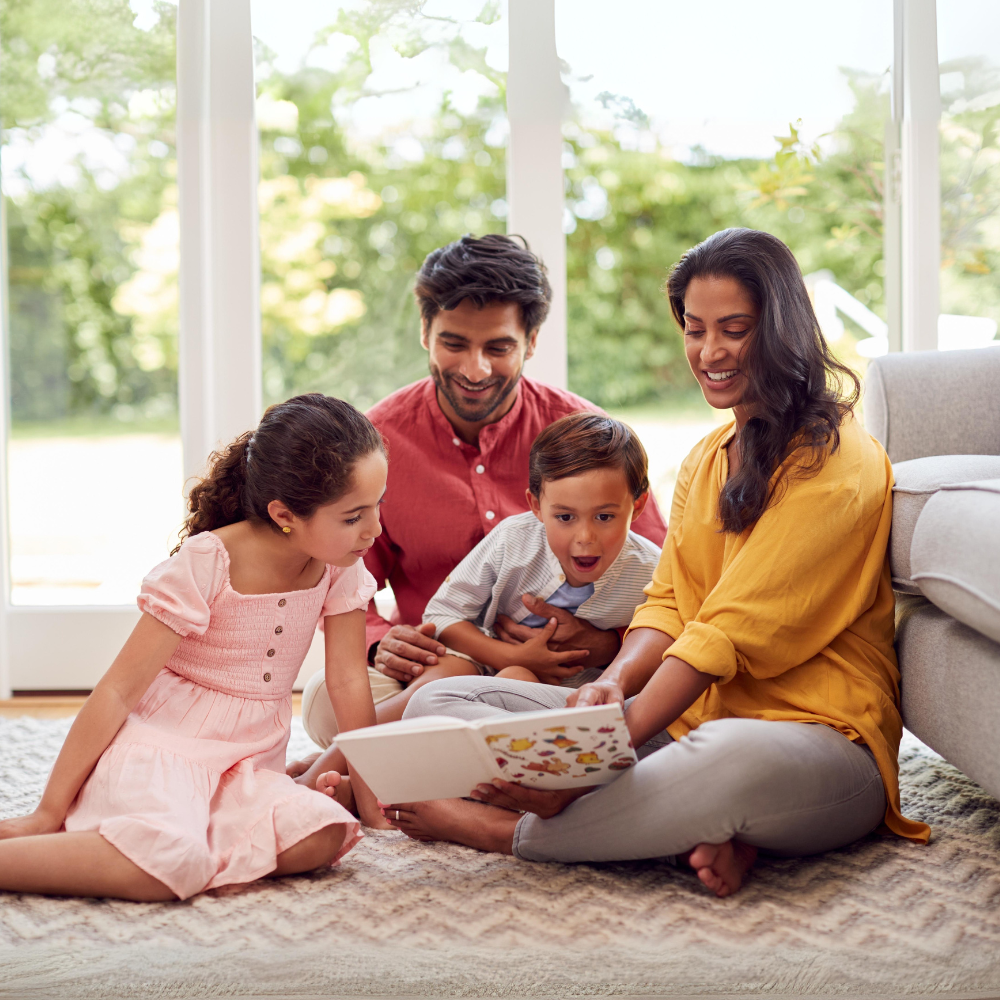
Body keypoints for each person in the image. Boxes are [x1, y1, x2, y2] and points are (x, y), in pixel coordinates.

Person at [381, 228, 931, 898]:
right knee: (442, 700)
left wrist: (602, 742)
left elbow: (725, 629)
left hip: (813, 742)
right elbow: (669, 601)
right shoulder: (706, 457)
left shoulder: (839, 462)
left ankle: (508, 831)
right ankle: (695, 834)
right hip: (688, 723)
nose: (710, 351)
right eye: (695, 328)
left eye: (735, 328)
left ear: (781, 328)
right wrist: (611, 685)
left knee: (725, 766)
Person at [292, 234, 666, 775]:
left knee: (653, 694)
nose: (474, 369)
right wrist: (379, 643)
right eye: (453, 343)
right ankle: (475, 758)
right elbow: (336, 578)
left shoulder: (585, 441)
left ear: (531, 341)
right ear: (424, 332)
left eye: (497, 347)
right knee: (330, 698)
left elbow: (663, 581)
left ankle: (415, 763)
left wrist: (606, 642)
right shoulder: (375, 443)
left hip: (567, 672)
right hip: (435, 660)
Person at [0, 394, 388, 901]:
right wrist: (47, 811)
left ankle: (184, 851)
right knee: (169, 856)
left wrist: (375, 798)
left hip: (249, 758)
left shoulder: (341, 563)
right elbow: (117, 690)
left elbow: (347, 679)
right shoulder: (210, 561)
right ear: (285, 514)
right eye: (354, 515)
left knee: (325, 832)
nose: (374, 529)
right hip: (164, 743)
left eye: (378, 505)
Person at [422, 411, 662, 685]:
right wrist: (511, 658)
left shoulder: (653, 573)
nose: (585, 537)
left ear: (638, 505)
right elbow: (442, 615)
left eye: (604, 517)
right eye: (565, 517)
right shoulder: (512, 540)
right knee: (503, 675)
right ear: (536, 505)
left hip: (587, 692)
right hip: (487, 667)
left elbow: (671, 638)